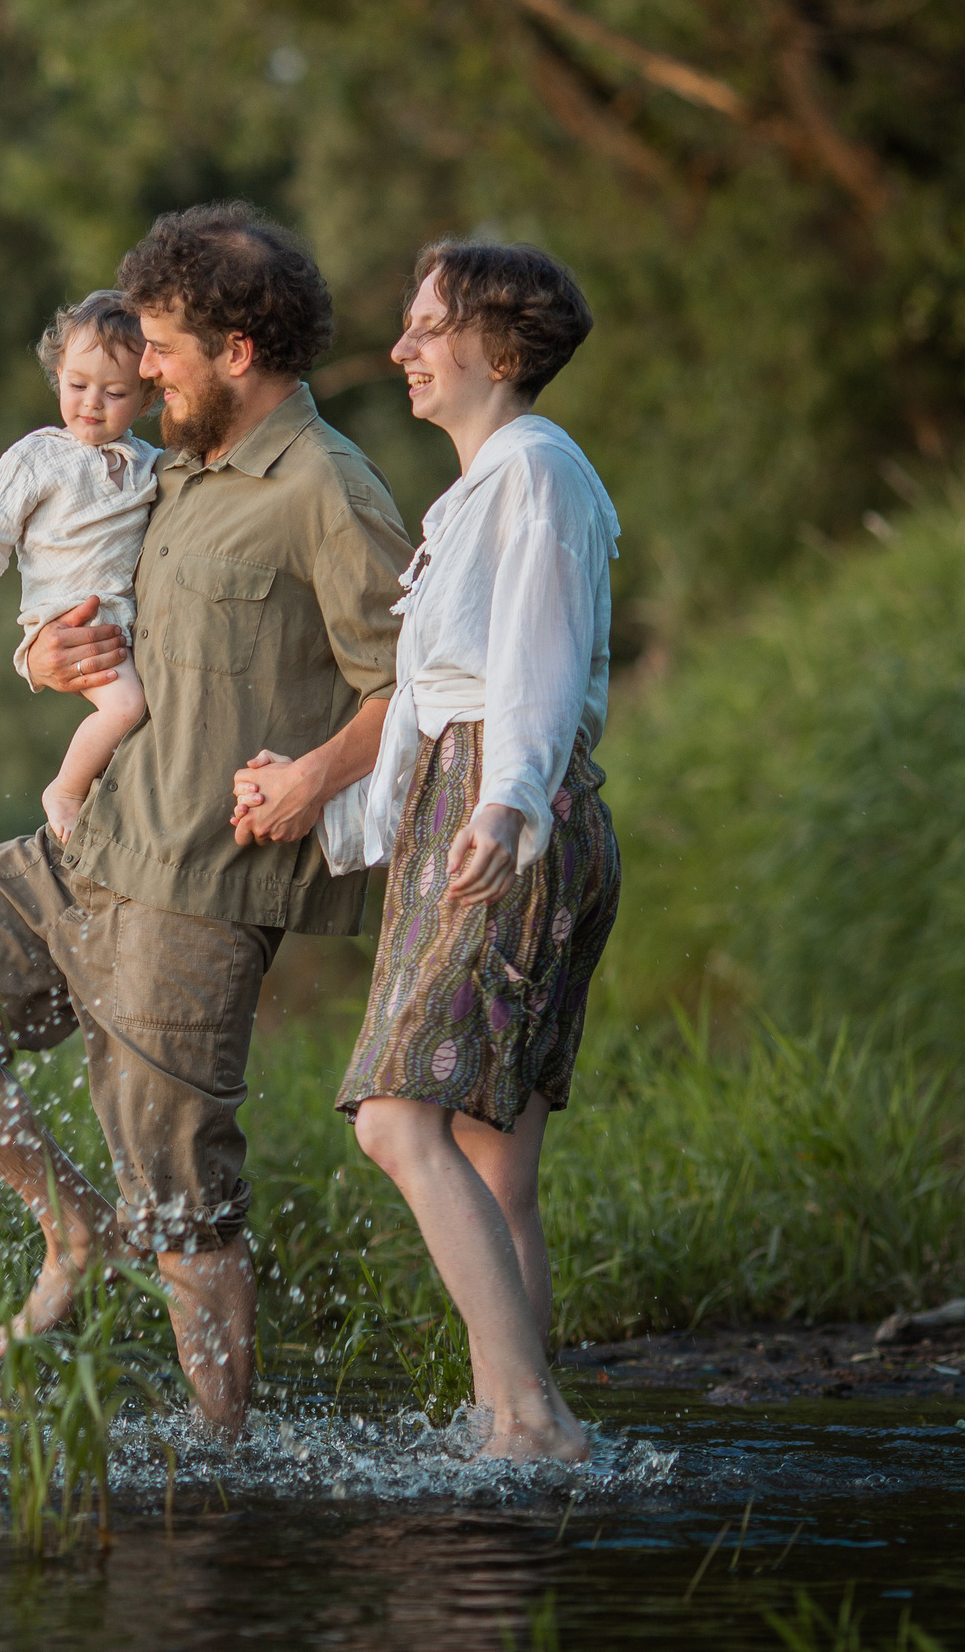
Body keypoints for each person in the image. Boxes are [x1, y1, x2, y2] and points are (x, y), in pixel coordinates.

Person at [0, 202, 413, 1437]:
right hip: (76, 849)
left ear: (239, 351)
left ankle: (223, 1470)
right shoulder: (169, 470)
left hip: (195, 891)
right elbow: (79, 606)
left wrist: (316, 776)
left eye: (161, 345)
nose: (139, 365)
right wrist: (39, 658)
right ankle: (69, 1225)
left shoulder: (329, 490)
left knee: (183, 1198)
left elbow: (415, 686)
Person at [253, 239, 619, 1462]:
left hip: (508, 807)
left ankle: (530, 1418)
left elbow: (540, 660)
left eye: (424, 328)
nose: (400, 350)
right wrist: (334, 807)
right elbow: (423, 700)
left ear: (496, 347)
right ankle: (507, 1426)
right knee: (487, 1160)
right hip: (470, 803)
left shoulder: (535, 470)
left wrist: (506, 804)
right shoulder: (475, 490)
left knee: (393, 1118)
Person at [0, 291, 160, 842]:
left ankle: (122, 816)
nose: (92, 403)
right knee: (128, 705)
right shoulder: (37, 457)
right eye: (78, 385)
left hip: (123, 618)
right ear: (59, 373)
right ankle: (66, 788)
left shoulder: (150, 464)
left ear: (148, 398)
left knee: (146, 709)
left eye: (116, 391)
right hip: (67, 617)